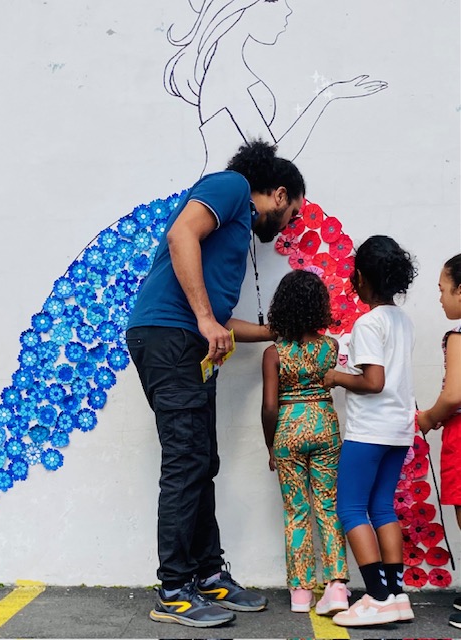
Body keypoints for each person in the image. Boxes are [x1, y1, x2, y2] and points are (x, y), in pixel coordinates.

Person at [126, 138, 305, 628]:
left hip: (188, 341)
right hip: (170, 337)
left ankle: (206, 574)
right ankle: (174, 590)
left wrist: (277, 332)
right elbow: (181, 233)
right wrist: (205, 319)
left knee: (202, 461)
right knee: (186, 462)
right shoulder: (232, 187)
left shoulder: (236, 224)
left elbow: (221, 322)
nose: (287, 224)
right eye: (292, 213)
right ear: (280, 194)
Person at [164, 0, 388, 174]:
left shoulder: (230, 73)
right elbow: (273, 158)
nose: (287, 10)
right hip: (226, 205)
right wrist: (328, 95)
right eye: (273, 0)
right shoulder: (226, 79)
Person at [323, 235, 417, 627]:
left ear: (360, 277)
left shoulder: (367, 323)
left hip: (369, 432)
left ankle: (377, 597)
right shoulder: (402, 320)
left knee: (350, 507)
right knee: (381, 507)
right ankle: (396, 595)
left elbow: (373, 381)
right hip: (399, 430)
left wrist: (337, 377)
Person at [261, 269, 350, 615]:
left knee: (296, 510)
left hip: (288, 430)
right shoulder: (331, 347)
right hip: (325, 426)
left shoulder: (274, 353)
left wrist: (271, 445)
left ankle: (301, 593)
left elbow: (270, 407)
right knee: (328, 505)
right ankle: (337, 587)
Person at [416, 253, 461, 631]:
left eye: (443, 289)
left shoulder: (458, 336)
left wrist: (428, 418)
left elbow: (454, 394)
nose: (440, 298)